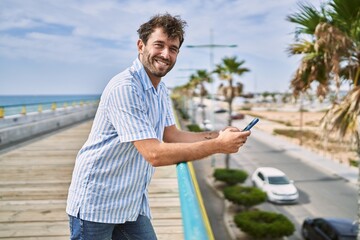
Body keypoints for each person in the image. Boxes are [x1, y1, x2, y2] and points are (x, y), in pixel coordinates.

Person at [66, 13, 251, 240]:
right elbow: (154, 154)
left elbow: (172, 135)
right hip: (97, 202)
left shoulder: (160, 89)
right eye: (159, 45)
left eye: (173, 49)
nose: (166, 54)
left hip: (131, 202)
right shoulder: (125, 87)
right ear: (141, 45)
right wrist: (218, 146)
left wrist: (218, 135)